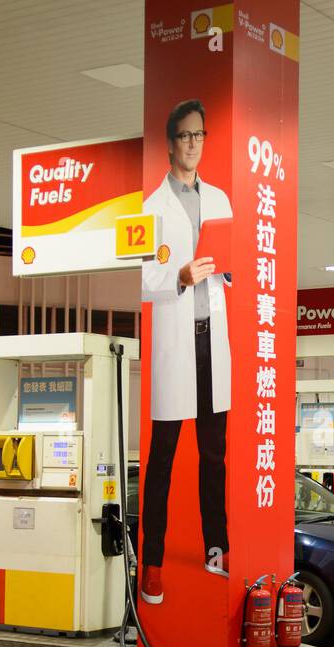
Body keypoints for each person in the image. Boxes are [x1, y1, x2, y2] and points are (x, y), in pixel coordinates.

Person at [139, 99, 233, 604]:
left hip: (211, 339)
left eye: (200, 135)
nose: (193, 143)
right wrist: (177, 274)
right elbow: (143, 277)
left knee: (213, 454)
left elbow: (233, 262)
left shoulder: (219, 199)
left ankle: (216, 547)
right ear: (170, 142)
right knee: (163, 457)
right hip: (177, 340)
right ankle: (152, 561)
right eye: (185, 136)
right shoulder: (151, 207)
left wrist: (229, 266)